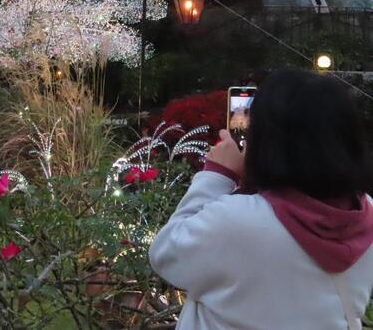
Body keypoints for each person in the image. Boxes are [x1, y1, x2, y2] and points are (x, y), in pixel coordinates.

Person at [149, 69, 373, 329]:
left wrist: (217, 175)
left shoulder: (238, 220)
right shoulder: (368, 212)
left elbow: (166, 255)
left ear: (267, 139)